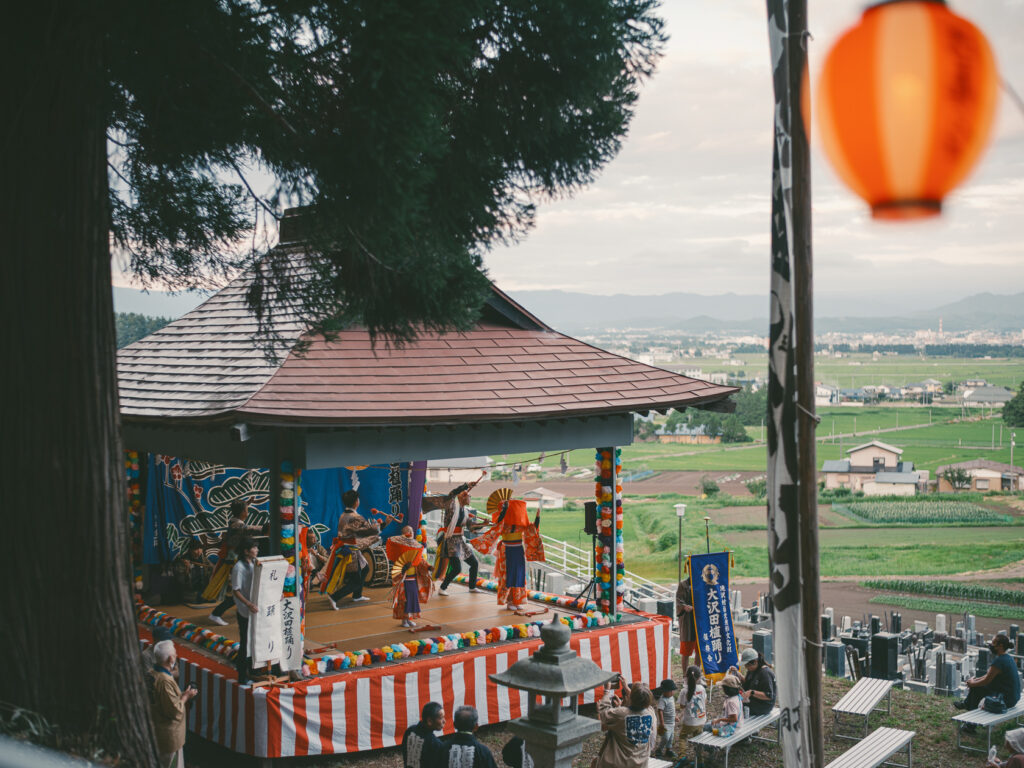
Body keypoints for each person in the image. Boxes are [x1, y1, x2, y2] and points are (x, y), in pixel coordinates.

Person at [471, 499, 544, 610]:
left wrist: (537, 517)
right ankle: (509, 601)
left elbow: (533, 529)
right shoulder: (503, 523)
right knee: (508, 576)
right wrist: (504, 509)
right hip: (506, 550)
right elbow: (498, 523)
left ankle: (516, 600)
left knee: (519, 575)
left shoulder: (521, 525)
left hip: (518, 550)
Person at [206, 499, 265, 625]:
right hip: (233, 560)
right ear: (243, 512)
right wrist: (267, 527)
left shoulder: (235, 522)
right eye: (247, 510)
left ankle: (218, 613)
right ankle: (216, 613)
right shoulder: (238, 525)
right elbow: (251, 529)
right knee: (236, 591)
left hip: (234, 559)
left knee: (239, 590)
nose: (247, 512)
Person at [321, 489, 379, 608]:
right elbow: (368, 532)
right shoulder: (356, 517)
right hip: (350, 550)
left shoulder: (343, 515)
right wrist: (381, 525)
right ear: (356, 502)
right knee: (356, 580)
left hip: (345, 547)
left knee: (365, 569)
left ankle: (357, 595)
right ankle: (334, 597)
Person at [956, 633, 1022, 733]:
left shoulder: (999, 661)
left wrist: (972, 684)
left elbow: (986, 680)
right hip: (1013, 697)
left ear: (1000, 646)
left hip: (1005, 700)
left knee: (977, 688)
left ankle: (969, 724)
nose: (991, 645)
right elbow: (988, 675)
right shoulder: (1008, 658)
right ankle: (967, 707)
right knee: (978, 687)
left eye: (993, 643)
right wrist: (974, 680)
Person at [430, 476, 485, 595]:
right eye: (469, 496)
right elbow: (452, 494)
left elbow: (471, 526)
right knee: (457, 568)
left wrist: (483, 524)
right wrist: (466, 486)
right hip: (450, 541)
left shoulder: (465, 511)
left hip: (459, 540)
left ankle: (472, 587)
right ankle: (442, 588)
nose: (470, 498)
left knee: (474, 563)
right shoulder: (452, 506)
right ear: (463, 496)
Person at [149, 639, 198, 768]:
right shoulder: (164, 681)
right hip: (168, 737)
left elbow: (163, 700)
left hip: (156, 730)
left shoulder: (152, 673)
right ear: (171, 658)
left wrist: (182, 694)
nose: (176, 656)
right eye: (175, 654)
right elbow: (175, 711)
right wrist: (186, 697)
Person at [594, 678, 656, 768]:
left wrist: (607, 691)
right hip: (640, 763)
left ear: (631, 697)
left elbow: (604, 712)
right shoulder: (650, 712)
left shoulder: (621, 714)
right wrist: (626, 687)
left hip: (620, 762)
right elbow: (641, 699)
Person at [387, 526, 433, 627]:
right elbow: (397, 561)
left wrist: (429, 567)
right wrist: (404, 567)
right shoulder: (399, 545)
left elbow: (420, 560)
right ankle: (404, 620)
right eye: (407, 531)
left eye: (411, 531)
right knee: (403, 599)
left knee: (412, 599)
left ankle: (409, 618)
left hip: (413, 578)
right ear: (403, 533)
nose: (410, 532)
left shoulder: (415, 545)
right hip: (403, 578)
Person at [230, 538, 259, 684]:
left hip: (254, 609)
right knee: (245, 643)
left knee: (254, 641)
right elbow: (236, 590)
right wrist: (248, 604)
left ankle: (253, 671)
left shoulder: (254, 563)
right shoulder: (239, 568)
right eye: (254, 548)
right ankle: (242, 675)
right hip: (245, 610)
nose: (257, 550)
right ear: (246, 551)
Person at [402, 701, 445, 768]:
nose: (444, 721)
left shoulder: (409, 731)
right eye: (441, 718)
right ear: (429, 721)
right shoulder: (436, 744)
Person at [737, 648, 776, 716]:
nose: (746, 667)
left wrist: (752, 692)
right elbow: (748, 683)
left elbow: (769, 696)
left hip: (763, 706)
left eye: (747, 665)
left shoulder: (765, 673)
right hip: (753, 701)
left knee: (734, 705)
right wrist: (738, 675)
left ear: (755, 662)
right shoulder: (752, 670)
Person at [678, 665, 708, 744]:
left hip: (689, 722)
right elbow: (705, 701)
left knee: (682, 737)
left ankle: (683, 752)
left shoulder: (684, 691)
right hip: (701, 721)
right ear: (699, 678)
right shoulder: (702, 688)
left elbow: (682, 706)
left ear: (686, 677)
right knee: (699, 739)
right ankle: (698, 752)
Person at [675, 576, 697, 677]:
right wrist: (684, 607)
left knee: (699, 650)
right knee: (686, 650)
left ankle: (697, 674)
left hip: (700, 620)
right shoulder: (683, 585)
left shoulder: (703, 583)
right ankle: (685, 675)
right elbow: (679, 600)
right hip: (687, 620)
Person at [653, 678, 679, 759]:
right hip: (666, 723)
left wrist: (675, 716)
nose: (672, 692)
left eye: (673, 691)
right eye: (671, 691)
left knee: (671, 738)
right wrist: (662, 723)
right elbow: (660, 711)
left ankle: (668, 750)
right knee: (666, 738)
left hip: (672, 722)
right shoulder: (663, 700)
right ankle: (659, 750)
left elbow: (672, 709)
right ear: (665, 691)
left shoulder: (671, 698)